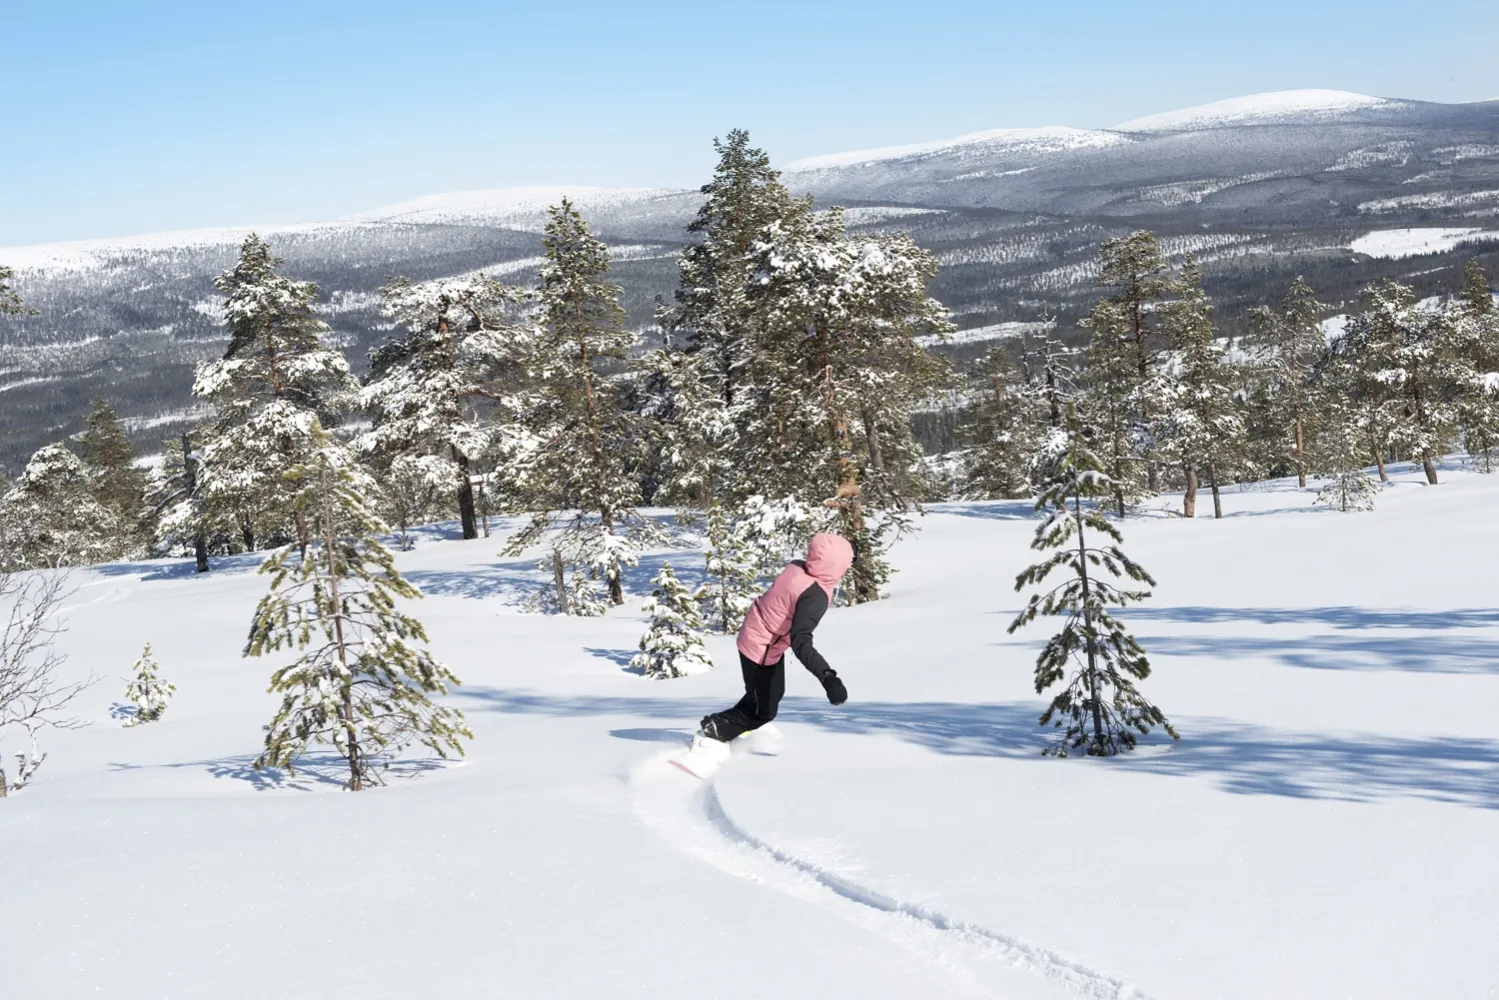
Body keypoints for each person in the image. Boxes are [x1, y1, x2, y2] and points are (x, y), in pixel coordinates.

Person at [698, 532, 854, 745]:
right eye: (846, 562)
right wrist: (827, 677)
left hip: (760, 635)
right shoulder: (814, 596)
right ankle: (713, 734)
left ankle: (730, 724)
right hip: (760, 647)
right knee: (763, 711)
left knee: (769, 694)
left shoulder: (798, 566)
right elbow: (801, 642)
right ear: (836, 566)